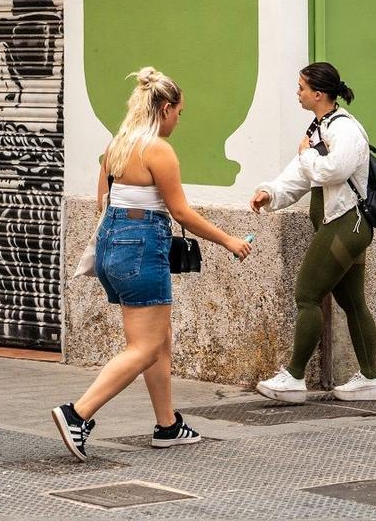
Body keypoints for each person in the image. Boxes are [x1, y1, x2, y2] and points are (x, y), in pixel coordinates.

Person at [51, 67, 252, 464]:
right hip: (141, 247)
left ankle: (167, 425)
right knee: (143, 347)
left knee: (158, 338)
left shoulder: (118, 146)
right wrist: (229, 240)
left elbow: (102, 203)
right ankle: (78, 414)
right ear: (164, 108)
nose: (179, 118)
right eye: (179, 111)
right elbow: (181, 211)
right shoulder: (158, 150)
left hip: (112, 244)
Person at [249, 62, 376, 404]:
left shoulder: (345, 129)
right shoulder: (320, 128)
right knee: (352, 302)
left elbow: (331, 169)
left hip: (346, 225)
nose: (298, 93)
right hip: (340, 226)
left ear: (318, 94)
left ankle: (294, 378)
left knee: (307, 296)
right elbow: (301, 172)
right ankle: (371, 378)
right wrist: (270, 193)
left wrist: (307, 155)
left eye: (301, 88)